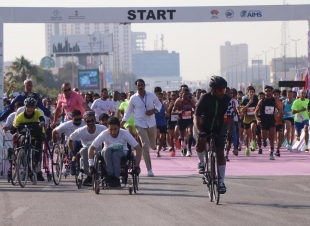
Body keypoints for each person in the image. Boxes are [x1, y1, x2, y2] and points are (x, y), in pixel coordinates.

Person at [194, 76, 234, 194]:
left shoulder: (228, 100)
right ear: (213, 90)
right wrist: (200, 131)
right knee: (201, 140)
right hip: (204, 125)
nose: (223, 92)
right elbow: (196, 117)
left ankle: (221, 182)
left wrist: (230, 134)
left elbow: (231, 118)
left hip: (219, 127)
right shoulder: (204, 98)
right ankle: (201, 162)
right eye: (221, 90)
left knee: (220, 152)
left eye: (224, 89)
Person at [121, 79, 162, 177]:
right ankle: (149, 169)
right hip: (139, 124)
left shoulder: (151, 95)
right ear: (136, 87)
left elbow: (159, 105)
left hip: (151, 123)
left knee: (152, 145)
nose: (140, 87)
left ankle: (154, 146)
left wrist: (154, 110)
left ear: (144, 85)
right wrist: (122, 123)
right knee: (145, 145)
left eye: (142, 85)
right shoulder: (133, 98)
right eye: (138, 85)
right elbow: (128, 112)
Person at [88, 117, 142, 187]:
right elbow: (91, 148)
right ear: (108, 128)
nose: (113, 132)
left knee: (115, 154)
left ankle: (115, 177)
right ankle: (110, 175)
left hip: (122, 152)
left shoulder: (125, 133)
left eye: (115, 129)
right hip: (107, 153)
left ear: (119, 127)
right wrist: (91, 165)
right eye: (110, 129)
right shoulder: (104, 134)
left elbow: (138, 148)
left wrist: (137, 166)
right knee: (107, 151)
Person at [68, 111, 107, 186]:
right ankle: (89, 175)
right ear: (85, 122)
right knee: (83, 151)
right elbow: (70, 140)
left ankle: (98, 172)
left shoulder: (102, 128)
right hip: (86, 148)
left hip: (98, 148)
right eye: (88, 121)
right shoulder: (81, 130)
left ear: (95, 120)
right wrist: (73, 154)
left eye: (92, 120)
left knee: (97, 152)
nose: (90, 123)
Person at [13, 97, 46, 182]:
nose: (29, 109)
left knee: (38, 145)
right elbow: (15, 125)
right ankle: (26, 167)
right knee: (22, 148)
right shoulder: (20, 116)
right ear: (25, 107)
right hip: (26, 134)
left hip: (37, 133)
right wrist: (13, 129)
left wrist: (42, 122)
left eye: (31, 107)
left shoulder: (37, 112)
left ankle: (36, 162)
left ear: (34, 108)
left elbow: (41, 118)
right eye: (28, 107)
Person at [52, 110, 85, 175]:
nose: (78, 121)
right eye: (76, 119)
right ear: (72, 118)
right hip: (70, 143)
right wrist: (55, 145)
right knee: (73, 142)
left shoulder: (85, 123)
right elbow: (54, 132)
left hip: (82, 142)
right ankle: (72, 168)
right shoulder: (66, 125)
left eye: (79, 119)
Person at [255, 85, 283, 160]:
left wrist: (278, 113)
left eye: (269, 91)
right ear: (265, 92)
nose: (268, 92)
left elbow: (280, 109)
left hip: (271, 120)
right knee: (264, 137)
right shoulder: (262, 101)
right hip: (264, 120)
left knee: (272, 136)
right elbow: (256, 111)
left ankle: (271, 153)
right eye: (266, 91)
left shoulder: (274, 100)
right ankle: (264, 140)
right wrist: (257, 119)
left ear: (271, 92)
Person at [172, 88, 196, 157]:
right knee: (182, 136)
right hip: (181, 120)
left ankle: (189, 149)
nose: (187, 96)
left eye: (188, 94)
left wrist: (193, 111)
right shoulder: (179, 101)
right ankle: (184, 148)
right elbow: (173, 111)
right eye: (185, 94)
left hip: (189, 119)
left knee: (190, 133)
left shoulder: (191, 101)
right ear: (182, 94)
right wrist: (179, 112)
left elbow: (195, 108)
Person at [241, 86, 258, 156]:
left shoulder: (256, 100)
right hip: (246, 119)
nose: (251, 93)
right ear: (247, 93)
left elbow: (259, 107)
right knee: (247, 135)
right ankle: (247, 148)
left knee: (253, 127)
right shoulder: (245, 100)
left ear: (254, 93)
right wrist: (249, 104)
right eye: (250, 92)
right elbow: (242, 110)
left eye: (252, 92)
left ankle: (253, 142)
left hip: (253, 118)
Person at [166, 91, 178, 156]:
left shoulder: (179, 102)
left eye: (174, 95)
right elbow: (167, 112)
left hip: (177, 120)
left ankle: (178, 141)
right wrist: (170, 107)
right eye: (172, 95)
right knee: (171, 136)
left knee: (176, 132)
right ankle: (173, 150)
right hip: (170, 120)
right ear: (170, 96)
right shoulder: (168, 103)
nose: (173, 97)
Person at [155, 92, 168, 157]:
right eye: (158, 97)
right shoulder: (153, 104)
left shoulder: (165, 104)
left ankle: (158, 151)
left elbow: (167, 112)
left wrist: (166, 113)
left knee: (162, 139)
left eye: (161, 97)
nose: (159, 98)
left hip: (163, 123)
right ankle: (156, 146)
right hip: (155, 123)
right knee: (157, 136)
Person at [272, 89, 284, 157]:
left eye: (277, 95)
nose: (276, 96)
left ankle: (277, 150)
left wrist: (280, 113)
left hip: (279, 122)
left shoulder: (281, 103)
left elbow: (282, 111)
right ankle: (272, 147)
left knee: (279, 136)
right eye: (274, 95)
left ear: (279, 96)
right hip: (272, 122)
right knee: (272, 136)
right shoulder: (270, 102)